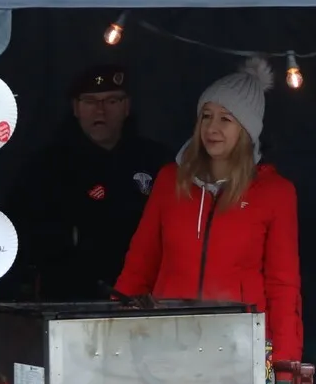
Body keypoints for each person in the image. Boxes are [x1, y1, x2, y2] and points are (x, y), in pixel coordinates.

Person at [116, 55, 302, 360]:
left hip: (238, 347)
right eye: (206, 116)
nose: (212, 128)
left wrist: (285, 364)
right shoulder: (170, 180)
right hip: (167, 340)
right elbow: (140, 263)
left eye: (225, 119)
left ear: (247, 130)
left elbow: (283, 285)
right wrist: (113, 335)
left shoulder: (275, 193)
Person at [8, 64, 169, 301]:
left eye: (111, 101)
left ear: (126, 106)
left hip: (143, 298)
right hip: (70, 299)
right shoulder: (46, 168)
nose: (100, 111)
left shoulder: (156, 161)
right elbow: (22, 235)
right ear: (76, 108)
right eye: (90, 101)